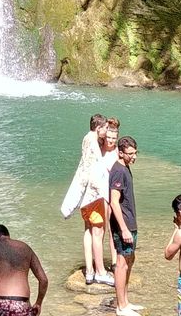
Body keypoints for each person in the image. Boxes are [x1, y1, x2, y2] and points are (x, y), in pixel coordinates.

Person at [61, 113, 114, 286]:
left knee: (88, 231)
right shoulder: (93, 142)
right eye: (105, 128)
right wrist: (104, 193)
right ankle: (100, 272)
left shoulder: (86, 139)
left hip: (85, 195)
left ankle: (90, 271)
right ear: (98, 128)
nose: (107, 131)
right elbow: (95, 171)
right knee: (98, 232)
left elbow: (83, 168)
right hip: (94, 194)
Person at [0, 223, 49, 316]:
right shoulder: (26, 248)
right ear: (8, 235)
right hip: (21, 305)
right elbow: (43, 280)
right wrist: (38, 303)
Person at [109, 136, 140, 316]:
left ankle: (126, 302)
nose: (134, 157)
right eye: (130, 154)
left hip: (130, 222)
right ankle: (121, 306)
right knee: (121, 263)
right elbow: (114, 202)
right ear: (120, 152)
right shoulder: (118, 171)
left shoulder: (125, 167)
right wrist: (124, 228)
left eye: (135, 153)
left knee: (129, 260)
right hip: (124, 225)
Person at [103, 118, 121, 272]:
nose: (110, 140)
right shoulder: (99, 149)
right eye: (108, 137)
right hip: (102, 193)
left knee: (113, 228)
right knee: (101, 228)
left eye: (113, 138)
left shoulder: (117, 152)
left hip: (114, 194)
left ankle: (115, 261)